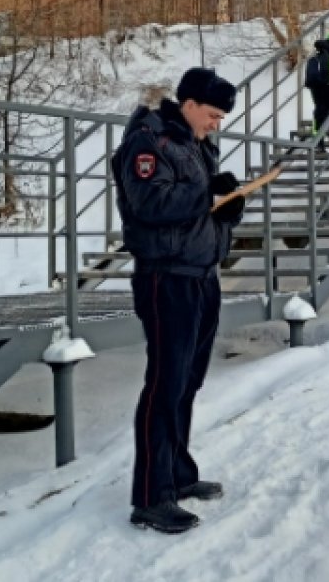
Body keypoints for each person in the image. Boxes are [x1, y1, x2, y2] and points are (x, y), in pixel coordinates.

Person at [111, 67, 245, 534]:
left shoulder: (194, 144)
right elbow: (149, 203)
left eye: (221, 117)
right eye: (212, 114)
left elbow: (196, 211)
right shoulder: (150, 141)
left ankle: (178, 475)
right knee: (164, 386)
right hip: (165, 278)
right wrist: (205, 191)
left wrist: (228, 209)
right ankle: (151, 495)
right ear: (188, 104)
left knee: (188, 382)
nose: (217, 124)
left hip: (200, 276)